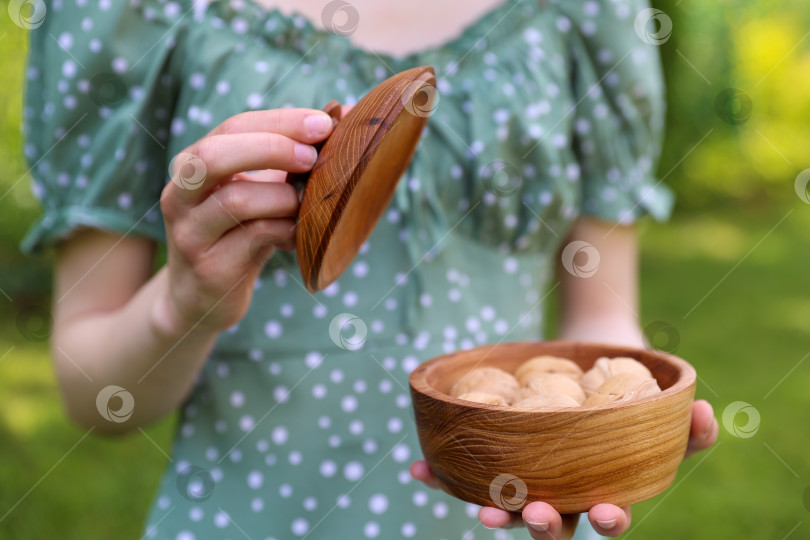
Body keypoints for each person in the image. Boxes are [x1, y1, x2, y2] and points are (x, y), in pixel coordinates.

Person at [21, 0, 718, 538]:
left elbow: (600, 319)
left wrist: (622, 430)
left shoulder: (586, 13)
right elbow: (97, 395)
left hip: (519, 517)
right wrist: (183, 302)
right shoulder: (128, 15)